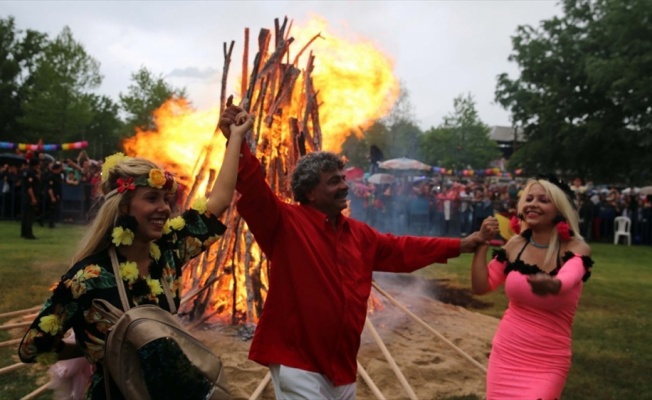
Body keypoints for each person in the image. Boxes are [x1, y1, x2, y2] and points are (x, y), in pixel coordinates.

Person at [218, 105, 491, 399]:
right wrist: (238, 141)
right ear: (310, 192)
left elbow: (404, 249)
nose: (344, 186)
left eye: (343, 178)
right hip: (298, 361)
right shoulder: (284, 223)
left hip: (343, 365)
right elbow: (254, 187)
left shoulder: (359, 234)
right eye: (333, 181)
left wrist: (461, 245)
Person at [18, 112, 253, 399]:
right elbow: (34, 346)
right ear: (124, 207)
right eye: (151, 199)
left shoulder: (168, 252)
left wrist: (236, 138)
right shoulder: (88, 277)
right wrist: (101, 347)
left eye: (166, 200)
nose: (165, 208)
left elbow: (218, 201)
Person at [471, 176, 593, 400]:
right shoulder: (515, 245)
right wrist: (482, 242)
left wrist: (553, 283)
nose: (532, 204)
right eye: (528, 199)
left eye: (543, 200)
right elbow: (481, 285)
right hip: (507, 353)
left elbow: (568, 276)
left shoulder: (577, 248)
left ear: (560, 209)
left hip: (548, 360)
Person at [20, 158, 41, 239]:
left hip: (26, 196)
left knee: (25, 215)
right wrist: (33, 198)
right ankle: (29, 234)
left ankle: (24, 232)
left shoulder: (27, 172)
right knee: (29, 216)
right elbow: (29, 187)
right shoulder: (30, 173)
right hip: (29, 196)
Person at [42, 161, 64, 228]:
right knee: (52, 209)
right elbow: (50, 188)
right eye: (59, 169)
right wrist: (52, 197)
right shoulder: (51, 176)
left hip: (55, 194)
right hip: (51, 195)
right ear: (55, 169)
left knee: (54, 210)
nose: (60, 170)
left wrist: (57, 195)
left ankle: (43, 219)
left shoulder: (57, 176)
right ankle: (50, 223)